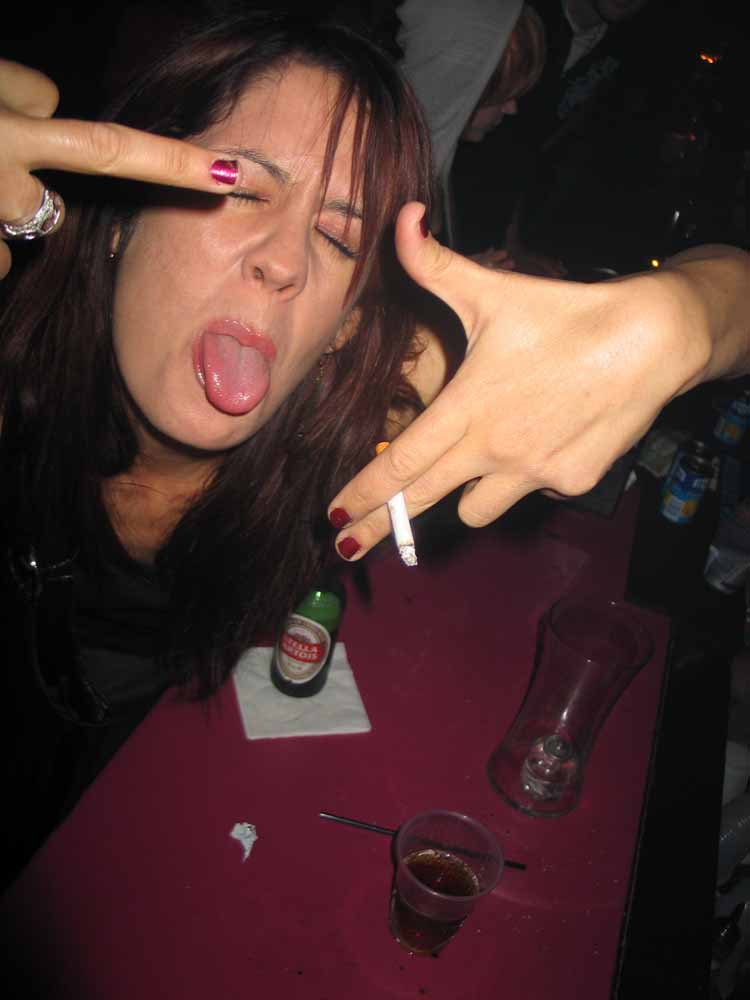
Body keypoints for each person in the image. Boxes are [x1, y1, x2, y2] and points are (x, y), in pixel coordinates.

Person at [0, 9, 432, 886]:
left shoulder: (367, 463)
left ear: (346, 328)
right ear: (120, 217)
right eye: (238, 188)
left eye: (338, 237)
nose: (285, 262)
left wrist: (695, 311)